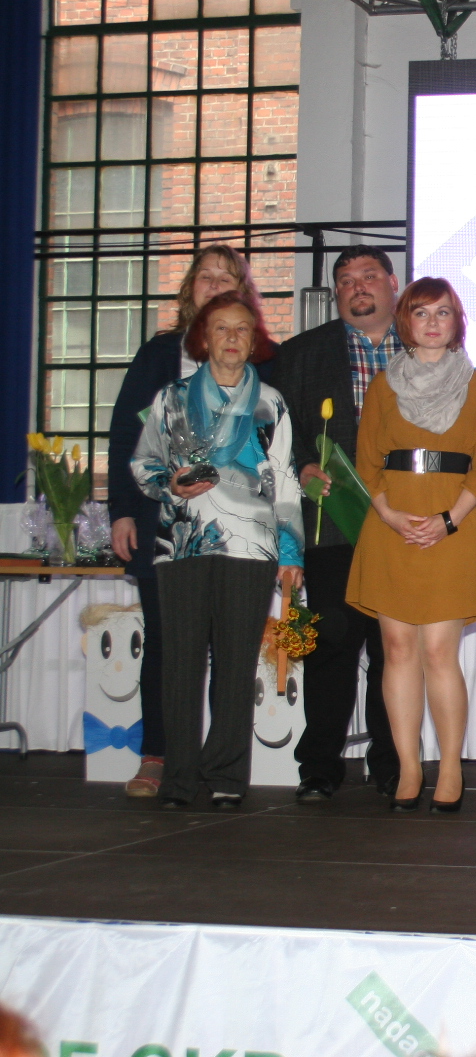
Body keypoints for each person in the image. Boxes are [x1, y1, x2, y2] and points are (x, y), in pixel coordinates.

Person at [107, 244, 274, 798]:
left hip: (242, 537)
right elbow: (127, 438)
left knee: (230, 652)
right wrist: (123, 511)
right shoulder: (158, 356)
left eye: (228, 277)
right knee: (167, 645)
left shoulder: (264, 367)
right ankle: (159, 757)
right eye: (206, 276)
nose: (216, 284)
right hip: (166, 527)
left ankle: (219, 768)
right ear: (190, 289)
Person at [131, 290, 303, 809]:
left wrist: (291, 553)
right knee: (180, 665)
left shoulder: (271, 403)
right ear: (203, 339)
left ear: (255, 341)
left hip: (252, 547)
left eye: (242, 329)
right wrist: (169, 484)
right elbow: (143, 465)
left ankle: (227, 775)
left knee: (234, 665)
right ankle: (180, 779)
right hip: (181, 543)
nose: (231, 338)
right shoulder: (171, 399)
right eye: (221, 328)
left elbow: (285, 481)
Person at [348, 278, 476, 813]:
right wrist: (389, 514)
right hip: (391, 526)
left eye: (443, 312)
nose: (432, 322)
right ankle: (409, 766)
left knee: (438, 651)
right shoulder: (382, 386)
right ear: (405, 321)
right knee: (396, 649)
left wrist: (448, 521)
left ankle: (451, 767)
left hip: (452, 526)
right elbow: (367, 462)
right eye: (421, 313)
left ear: (457, 321)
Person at [272, 244, 405, 802]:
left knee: (394, 650)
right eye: (346, 280)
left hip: (404, 525)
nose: (358, 287)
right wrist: (303, 462)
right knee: (332, 646)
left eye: (369, 276)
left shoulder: (425, 344)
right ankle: (320, 767)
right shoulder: (302, 353)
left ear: (393, 284)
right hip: (333, 523)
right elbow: (277, 429)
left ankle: (392, 763)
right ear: (336, 294)